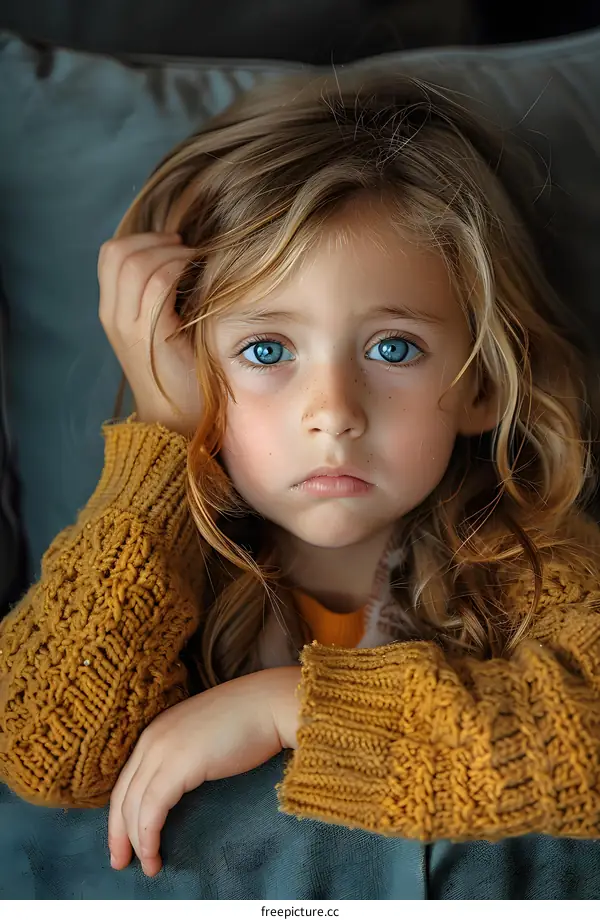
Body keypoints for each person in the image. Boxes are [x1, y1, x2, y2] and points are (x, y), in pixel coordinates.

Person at [1, 71, 600, 881]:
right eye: (265, 350)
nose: (333, 412)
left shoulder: (521, 561)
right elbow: (48, 750)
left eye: (393, 348)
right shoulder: (168, 568)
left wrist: (290, 709)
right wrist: (165, 435)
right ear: (178, 367)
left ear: (484, 384)